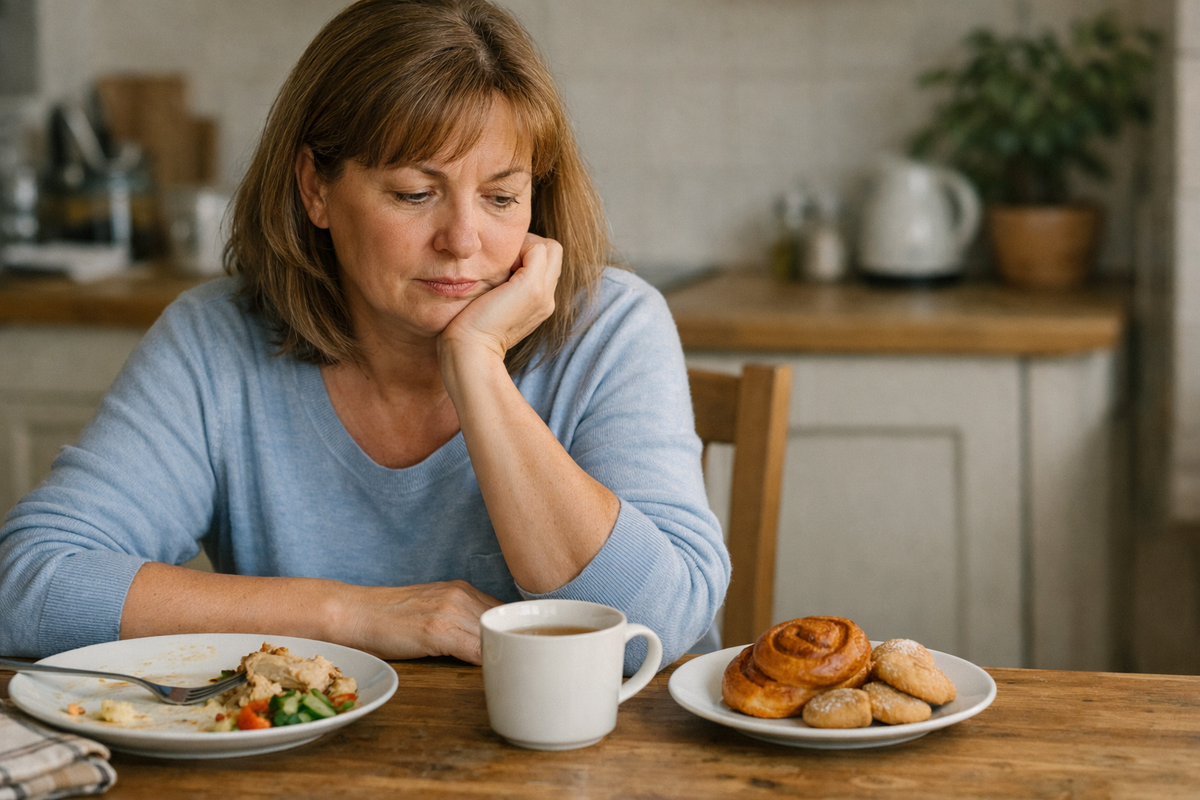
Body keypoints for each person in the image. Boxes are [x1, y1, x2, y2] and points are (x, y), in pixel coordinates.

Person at [0, 0, 728, 674]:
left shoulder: (614, 327)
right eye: (415, 193)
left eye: (502, 197)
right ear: (315, 188)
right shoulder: (214, 341)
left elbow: (658, 630)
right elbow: (27, 584)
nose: (464, 240)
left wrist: (475, 366)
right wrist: (351, 614)